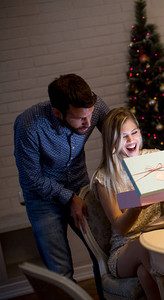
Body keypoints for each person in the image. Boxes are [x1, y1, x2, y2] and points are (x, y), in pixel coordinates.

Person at [14, 74, 110, 295]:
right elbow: (32, 178)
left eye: (90, 115)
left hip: (80, 187)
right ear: (57, 112)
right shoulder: (29, 125)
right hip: (42, 198)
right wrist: (70, 198)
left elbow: (118, 135)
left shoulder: (93, 107)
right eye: (79, 119)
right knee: (60, 270)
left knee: (101, 252)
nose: (88, 123)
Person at [90, 108, 164, 300]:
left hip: (160, 238)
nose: (132, 140)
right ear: (111, 142)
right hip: (126, 249)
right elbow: (121, 227)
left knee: (144, 273)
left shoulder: (154, 158)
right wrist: (138, 205)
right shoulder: (104, 178)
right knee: (146, 246)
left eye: (134, 132)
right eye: (123, 137)